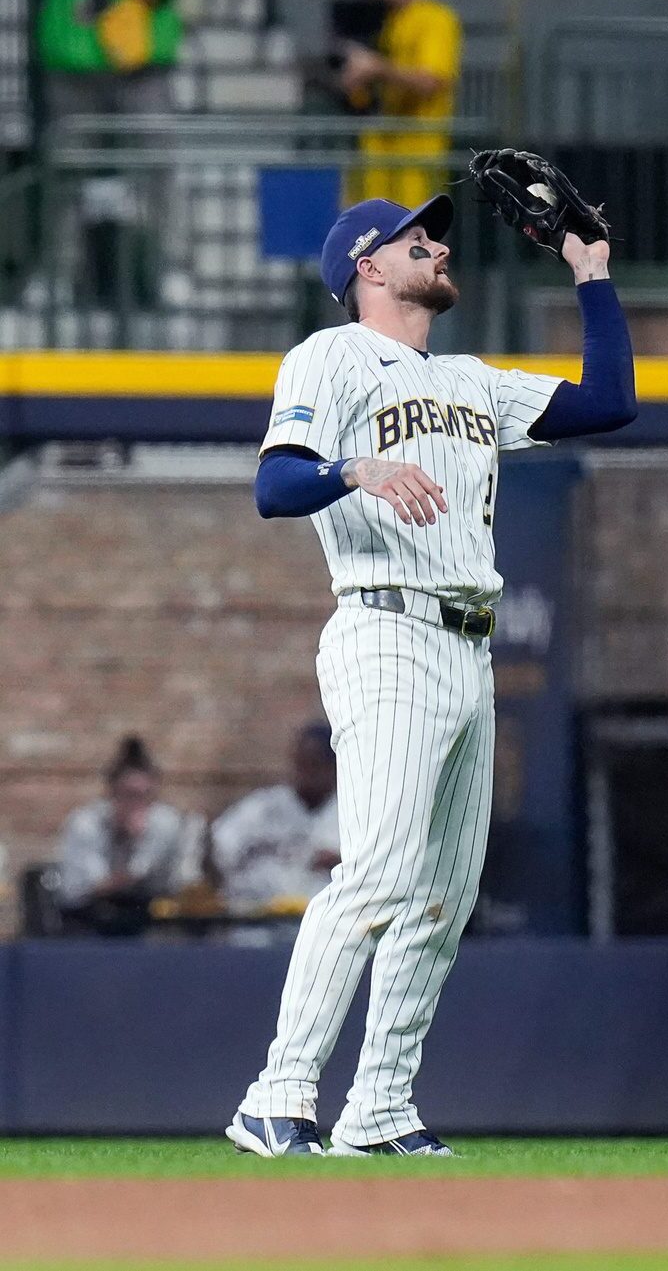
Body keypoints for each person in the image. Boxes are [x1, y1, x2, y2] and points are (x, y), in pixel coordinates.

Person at [225, 184, 636, 1158]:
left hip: (467, 643)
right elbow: (275, 485)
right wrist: (355, 470)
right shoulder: (330, 355)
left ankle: (379, 1110)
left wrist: (591, 276)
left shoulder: (471, 379)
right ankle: (274, 1095)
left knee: (441, 896)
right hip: (386, 627)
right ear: (366, 264)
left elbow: (609, 402)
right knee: (374, 873)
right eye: (418, 238)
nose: (438, 248)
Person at [23, 0, 206, 300]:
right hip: (73, 52)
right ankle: (57, 271)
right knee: (65, 168)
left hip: (142, 51)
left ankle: (173, 268)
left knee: (158, 163)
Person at [339, 0, 462, 207]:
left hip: (417, 161)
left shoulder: (435, 18)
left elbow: (432, 81)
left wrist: (378, 68)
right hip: (374, 160)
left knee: (414, 242)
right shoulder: (376, 20)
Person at [55, 735, 196, 933]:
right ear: (112, 793)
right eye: (129, 795)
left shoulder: (165, 823)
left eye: (145, 796)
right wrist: (126, 842)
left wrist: (140, 843)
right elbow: (93, 887)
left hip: (149, 920)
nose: (136, 804)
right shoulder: (86, 824)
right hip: (89, 921)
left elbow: (168, 882)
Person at [212, 723, 340, 913]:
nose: (308, 772)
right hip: (256, 924)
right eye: (303, 762)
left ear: (333, 767)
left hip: (324, 924)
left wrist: (334, 859)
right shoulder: (264, 807)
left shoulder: (348, 811)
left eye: (316, 763)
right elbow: (218, 848)